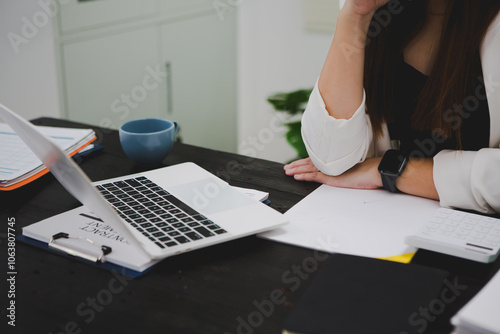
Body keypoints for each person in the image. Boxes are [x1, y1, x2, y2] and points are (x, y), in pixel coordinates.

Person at [284, 0, 500, 213]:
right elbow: (331, 159)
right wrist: (356, 13)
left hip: (476, 233)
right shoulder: (375, 10)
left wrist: (391, 170)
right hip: (390, 219)